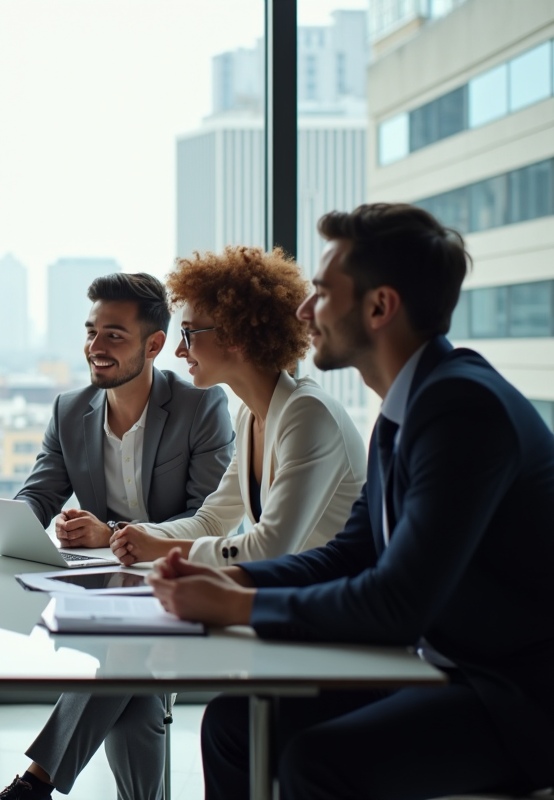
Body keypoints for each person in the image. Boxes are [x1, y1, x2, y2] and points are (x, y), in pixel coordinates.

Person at [150, 204, 554, 799]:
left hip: (513, 695)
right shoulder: (404, 411)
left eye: (321, 293)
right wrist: (238, 580)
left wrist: (239, 606)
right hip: (438, 664)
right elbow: (348, 554)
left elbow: (397, 600)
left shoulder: (462, 408)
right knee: (233, 723)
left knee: (321, 761)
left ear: (378, 306)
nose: (303, 311)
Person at [0, 271, 235, 800]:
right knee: (135, 700)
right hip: (108, 591)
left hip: (183, 583)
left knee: (127, 656)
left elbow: (210, 517)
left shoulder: (201, 407)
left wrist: (114, 533)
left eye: (113, 336)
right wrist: (12, 520)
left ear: (154, 345)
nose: (94, 348)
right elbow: (40, 492)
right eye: (90, 332)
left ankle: (34, 785)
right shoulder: (69, 410)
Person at [111, 245, 366, 568]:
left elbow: (271, 549)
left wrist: (159, 548)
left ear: (234, 335)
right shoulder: (250, 417)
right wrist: (138, 535)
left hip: (330, 606)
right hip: (288, 598)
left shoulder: (309, 414)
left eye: (189, 333)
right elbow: (212, 522)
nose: (178, 350)